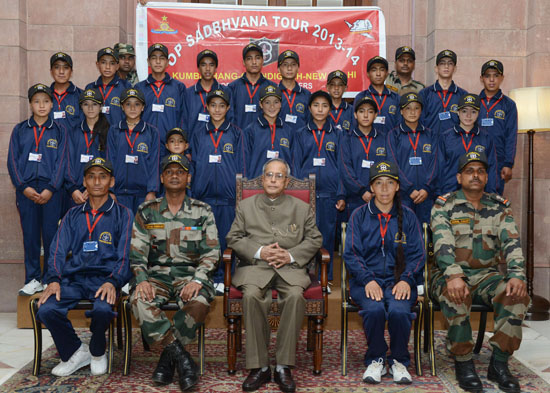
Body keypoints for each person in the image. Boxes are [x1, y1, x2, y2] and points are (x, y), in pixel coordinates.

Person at [430, 151, 530, 393]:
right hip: (446, 276)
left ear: (487, 177)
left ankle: (499, 364)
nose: (475, 175)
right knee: (457, 294)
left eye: (481, 171)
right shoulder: (445, 206)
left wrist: (517, 274)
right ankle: (463, 363)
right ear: (459, 177)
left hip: (487, 276)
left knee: (515, 294)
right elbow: (443, 247)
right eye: (469, 171)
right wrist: (454, 276)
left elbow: (512, 244)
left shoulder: (499, 208)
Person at [226, 158, 323, 393]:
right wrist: (260, 251)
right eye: (269, 175)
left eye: (278, 176)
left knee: (295, 297)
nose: (273, 180)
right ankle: (258, 367)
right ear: (262, 179)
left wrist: (290, 256)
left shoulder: (301, 208)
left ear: (286, 181)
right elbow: (233, 238)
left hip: (290, 269)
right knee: (251, 296)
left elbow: (315, 239)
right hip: (255, 267)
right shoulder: (246, 206)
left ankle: (283, 366)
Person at [130, 153, 219, 391]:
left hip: (190, 276)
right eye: (169, 171)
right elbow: (137, 254)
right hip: (156, 277)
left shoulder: (203, 211)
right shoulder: (147, 211)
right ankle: (182, 358)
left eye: (180, 171)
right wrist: (142, 280)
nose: (175, 175)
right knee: (138, 300)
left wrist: (198, 279)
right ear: (161, 177)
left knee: (200, 302)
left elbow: (212, 253)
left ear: (188, 178)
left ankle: (166, 360)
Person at [36, 157, 132, 377]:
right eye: (91, 176)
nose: (97, 181)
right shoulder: (72, 215)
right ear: (84, 182)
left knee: (103, 309)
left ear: (112, 181)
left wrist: (113, 281)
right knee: (46, 309)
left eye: (103, 176)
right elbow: (58, 250)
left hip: (105, 279)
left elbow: (126, 254)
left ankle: (98, 351)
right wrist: (54, 279)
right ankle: (76, 351)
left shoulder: (122, 214)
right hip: (75, 279)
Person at [344, 161, 424, 385]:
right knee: (374, 309)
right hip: (366, 280)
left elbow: (418, 254)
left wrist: (407, 280)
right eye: (379, 183)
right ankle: (376, 358)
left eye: (390, 183)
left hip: (399, 281)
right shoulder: (358, 216)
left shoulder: (408, 216)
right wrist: (368, 280)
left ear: (398, 186)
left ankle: (399, 360)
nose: (385, 189)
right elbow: (351, 253)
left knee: (399, 310)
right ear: (371, 188)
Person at [8, 84, 67, 296]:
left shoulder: (60, 130)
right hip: (27, 191)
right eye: (36, 101)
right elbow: (12, 161)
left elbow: (62, 162)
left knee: (51, 237)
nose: (41, 106)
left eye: (45, 101)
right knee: (31, 236)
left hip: (51, 191)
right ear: (31, 104)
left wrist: (52, 188)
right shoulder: (20, 130)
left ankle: (51, 278)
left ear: (52, 104)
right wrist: (23, 187)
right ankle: (33, 278)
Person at [190, 89, 246, 294]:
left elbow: (242, 166)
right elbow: (193, 165)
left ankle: (224, 277)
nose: (217, 109)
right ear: (207, 107)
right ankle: (206, 276)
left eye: (222, 105)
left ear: (228, 108)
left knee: (224, 239)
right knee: (204, 239)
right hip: (203, 197)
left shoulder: (236, 133)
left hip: (227, 197)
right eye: (213, 105)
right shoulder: (198, 133)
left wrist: (239, 195)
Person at [295, 90, 345, 282]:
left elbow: (342, 166)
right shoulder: (300, 134)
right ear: (309, 108)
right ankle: (305, 275)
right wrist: (299, 194)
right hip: (307, 195)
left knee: (326, 236)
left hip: (329, 194)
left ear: (330, 109)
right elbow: (296, 164)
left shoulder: (338, 134)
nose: (320, 109)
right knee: (305, 236)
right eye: (316, 105)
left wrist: (341, 194)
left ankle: (327, 277)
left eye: (324, 106)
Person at [386, 92, 438, 225]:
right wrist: (408, 189)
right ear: (401, 111)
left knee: (425, 232)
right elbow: (393, 164)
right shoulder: (394, 134)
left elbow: (436, 163)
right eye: (408, 108)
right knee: (404, 231)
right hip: (404, 195)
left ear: (421, 111)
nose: (412, 112)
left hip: (425, 195)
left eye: (416, 108)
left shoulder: (430, 134)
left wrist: (426, 188)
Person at [106, 87, 160, 214]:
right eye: (128, 104)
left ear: (143, 107)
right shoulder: (114, 130)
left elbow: (154, 163)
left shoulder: (152, 132)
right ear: (122, 107)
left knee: (142, 231)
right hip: (119, 193)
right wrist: (110, 190)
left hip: (143, 194)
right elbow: (110, 160)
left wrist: (152, 191)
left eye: (137, 104)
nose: (132, 108)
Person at [437, 93, 498, 195]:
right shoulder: (445, 137)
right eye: (464, 111)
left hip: (477, 194)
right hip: (450, 192)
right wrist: (439, 194)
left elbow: (491, 168)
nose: (468, 116)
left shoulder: (486, 138)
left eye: (473, 112)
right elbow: (439, 168)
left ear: (479, 113)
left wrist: (491, 194)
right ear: (458, 112)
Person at [136, 43, 187, 158]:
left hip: (171, 146)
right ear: (148, 62)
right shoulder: (140, 88)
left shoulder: (178, 87)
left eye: (162, 58)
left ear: (168, 62)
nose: (158, 62)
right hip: (145, 144)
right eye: (154, 58)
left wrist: (182, 146)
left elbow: (183, 117)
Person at [340, 96, 387, 216]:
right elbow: (346, 169)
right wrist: (361, 190)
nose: (366, 115)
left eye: (370, 111)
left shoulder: (384, 138)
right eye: (361, 111)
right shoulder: (347, 139)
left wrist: (377, 190)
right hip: (355, 197)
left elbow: (388, 167)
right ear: (355, 114)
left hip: (380, 197)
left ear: (376, 115)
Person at [478, 60, 518, 195]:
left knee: (494, 200)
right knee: (473, 200)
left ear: (502, 78)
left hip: (498, 161)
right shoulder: (474, 102)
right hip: (476, 159)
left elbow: (511, 135)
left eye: (495, 75)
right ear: (481, 78)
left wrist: (508, 163)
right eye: (487, 75)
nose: (491, 80)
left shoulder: (509, 105)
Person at [65, 88, 110, 207]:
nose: (90, 108)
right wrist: (73, 189)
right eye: (86, 104)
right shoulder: (73, 132)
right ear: (81, 107)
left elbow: (111, 163)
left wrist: (95, 188)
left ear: (101, 107)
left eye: (94, 104)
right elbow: (67, 162)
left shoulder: (110, 132)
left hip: (100, 190)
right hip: (77, 193)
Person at [245, 85, 295, 178]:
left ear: (281, 104)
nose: (272, 106)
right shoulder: (251, 130)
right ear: (261, 104)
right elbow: (245, 161)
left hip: (283, 185)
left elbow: (293, 162)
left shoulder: (288, 131)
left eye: (276, 102)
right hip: (256, 184)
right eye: (267, 102)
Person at [229, 42, 276, 130]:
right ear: (243, 62)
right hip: (240, 140)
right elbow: (229, 118)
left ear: (262, 60)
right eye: (249, 58)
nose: (254, 62)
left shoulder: (272, 87)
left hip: (264, 140)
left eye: (257, 58)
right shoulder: (232, 87)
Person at [419, 49, 467, 134]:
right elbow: (420, 121)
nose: (446, 66)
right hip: (431, 143)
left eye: (450, 63)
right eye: (442, 63)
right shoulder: (424, 94)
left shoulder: (463, 95)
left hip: (454, 143)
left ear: (455, 69)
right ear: (436, 68)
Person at [185, 49, 229, 139]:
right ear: (198, 68)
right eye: (203, 65)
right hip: (194, 148)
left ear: (216, 68)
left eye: (211, 65)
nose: (208, 68)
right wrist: (187, 149)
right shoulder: (188, 93)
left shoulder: (226, 91)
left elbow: (230, 121)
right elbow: (184, 122)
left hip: (219, 145)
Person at [353, 56, 401, 134]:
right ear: (368, 74)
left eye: (382, 70)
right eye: (374, 70)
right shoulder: (361, 97)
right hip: (367, 144)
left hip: (391, 143)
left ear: (386, 73)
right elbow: (355, 124)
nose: (378, 74)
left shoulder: (396, 98)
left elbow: (400, 125)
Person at [86, 47, 131, 128]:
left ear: (117, 66)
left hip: (119, 135)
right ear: (97, 64)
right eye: (103, 62)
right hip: (96, 136)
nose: (107, 67)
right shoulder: (90, 88)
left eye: (112, 63)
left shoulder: (126, 86)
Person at [277, 50, 310, 130]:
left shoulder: (306, 95)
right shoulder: (273, 93)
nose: (289, 68)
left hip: (301, 141)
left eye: (293, 65)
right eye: (285, 65)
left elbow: (310, 122)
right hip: (278, 140)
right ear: (278, 69)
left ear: (298, 68)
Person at [49, 52, 82, 131]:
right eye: (57, 67)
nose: (61, 71)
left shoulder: (81, 96)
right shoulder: (44, 96)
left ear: (71, 72)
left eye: (66, 67)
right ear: (51, 71)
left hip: (73, 143)